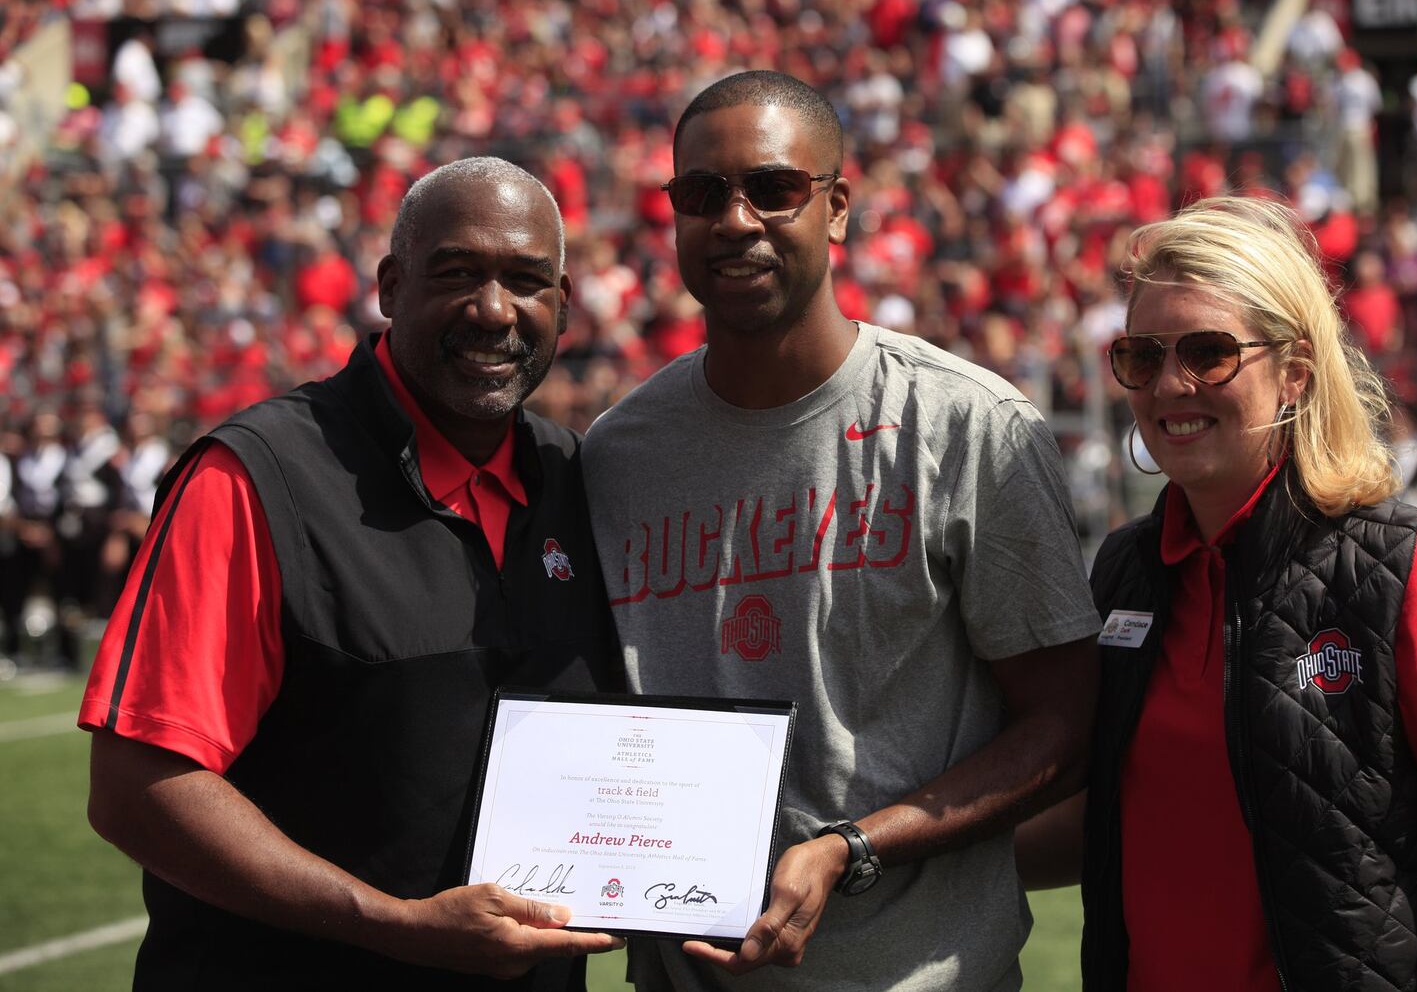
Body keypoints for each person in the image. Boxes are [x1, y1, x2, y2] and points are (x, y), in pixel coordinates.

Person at [581, 70, 1102, 991]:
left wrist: (851, 848)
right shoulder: (618, 455)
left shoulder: (969, 425)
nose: (735, 220)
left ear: (838, 209)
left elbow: (1064, 725)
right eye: (701, 195)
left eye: (774, 189)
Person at [79, 157, 624, 989]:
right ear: (390, 287)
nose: (493, 309)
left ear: (563, 304)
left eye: (525, 280)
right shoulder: (255, 477)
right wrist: (396, 927)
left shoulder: (576, 478)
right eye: (458, 274)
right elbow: (137, 786)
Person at [1018, 197, 1417, 990]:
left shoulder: (1414, 572)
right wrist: (890, 846)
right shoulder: (1127, 569)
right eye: (1141, 356)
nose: (1171, 384)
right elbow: (1109, 823)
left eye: (1208, 353)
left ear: (1295, 373)